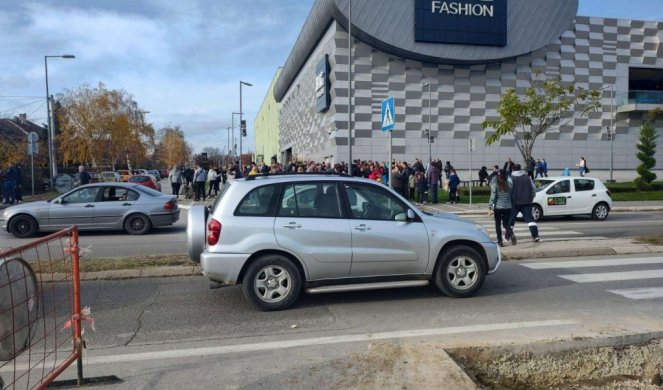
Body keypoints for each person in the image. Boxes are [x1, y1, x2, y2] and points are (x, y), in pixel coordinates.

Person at [509, 164, 540, 243]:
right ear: (520, 169)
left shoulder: (511, 178)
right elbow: (533, 189)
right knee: (530, 220)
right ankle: (535, 236)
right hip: (527, 202)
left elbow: (508, 190)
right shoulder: (527, 177)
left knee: (510, 220)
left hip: (514, 202)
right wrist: (531, 197)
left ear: (513, 170)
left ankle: (508, 236)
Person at [489, 169, 514, 247]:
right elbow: (512, 197)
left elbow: (493, 196)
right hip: (508, 207)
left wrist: (490, 206)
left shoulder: (495, 184)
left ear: (498, 176)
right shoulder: (509, 184)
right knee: (506, 224)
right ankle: (511, 232)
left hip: (498, 208)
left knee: (498, 225)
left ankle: (500, 241)